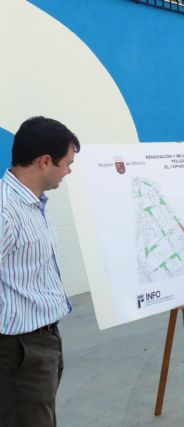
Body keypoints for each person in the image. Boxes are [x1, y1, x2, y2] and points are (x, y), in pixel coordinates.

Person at [0, 116, 80, 426]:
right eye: (67, 163)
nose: (69, 170)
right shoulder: (5, 211)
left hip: (41, 341)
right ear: (45, 161)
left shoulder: (33, 204)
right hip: (19, 350)